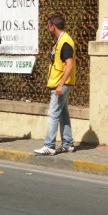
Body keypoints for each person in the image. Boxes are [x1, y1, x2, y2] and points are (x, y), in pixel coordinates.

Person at [34, 13, 77, 155]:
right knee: (63, 114)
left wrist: (60, 84)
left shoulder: (65, 42)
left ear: (53, 26)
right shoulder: (61, 40)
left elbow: (69, 65)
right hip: (61, 83)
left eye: (48, 25)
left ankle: (49, 146)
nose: (47, 28)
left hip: (61, 84)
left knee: (53, 114)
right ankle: (68, 144)